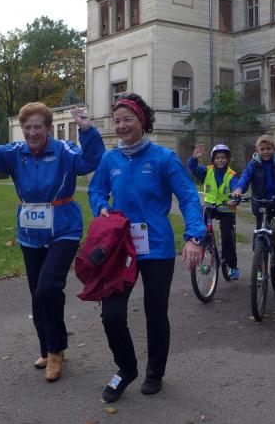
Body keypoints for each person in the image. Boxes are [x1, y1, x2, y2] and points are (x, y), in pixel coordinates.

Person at [0, 96, 104, 382]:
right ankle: (49, 349)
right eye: (27, 128)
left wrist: (87, 130)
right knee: (38, 293)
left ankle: (55, 351)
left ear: (48, 128)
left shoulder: (64, 151)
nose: (32, 133)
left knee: (47, 288)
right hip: (30, 234)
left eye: (37, 127)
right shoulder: (16, 153)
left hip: (64, 230)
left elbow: (90, 160)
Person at [88, 92, 205, 403]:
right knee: (111, 314)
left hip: (157, 248)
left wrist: (194, 236)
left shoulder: (164, 158)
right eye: (117, 121)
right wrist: (100, 206)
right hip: (120, 248)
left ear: (142, 121)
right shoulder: (109, 159)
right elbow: (96, 190)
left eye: (127, 119)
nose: (121, 126)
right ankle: (126, 368)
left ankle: (155, 372)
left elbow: (189, 197)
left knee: (155, 312)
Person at [231, 134, 275, 250]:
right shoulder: (253, 164)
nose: (265, 152)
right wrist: (239, 188)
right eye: (262, 149)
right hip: (261, 200)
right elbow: (245, 177)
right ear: (257, 150)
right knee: (260, 230)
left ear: (274, 149)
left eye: (269, 149)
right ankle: (258, 257)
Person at [187, 143, 240, 280]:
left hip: (226, 208)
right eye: (217, 158)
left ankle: (233, 266)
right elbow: (194, 169)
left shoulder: (231, 175)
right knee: (202, 230)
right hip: (210, 207)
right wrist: (194, 159)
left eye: (223, 158)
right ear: (213, 159)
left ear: (227, 159)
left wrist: (235, 198)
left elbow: (236, 188)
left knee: (227, 237)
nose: (220, 160)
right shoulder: (207, 170)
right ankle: (208, 248)